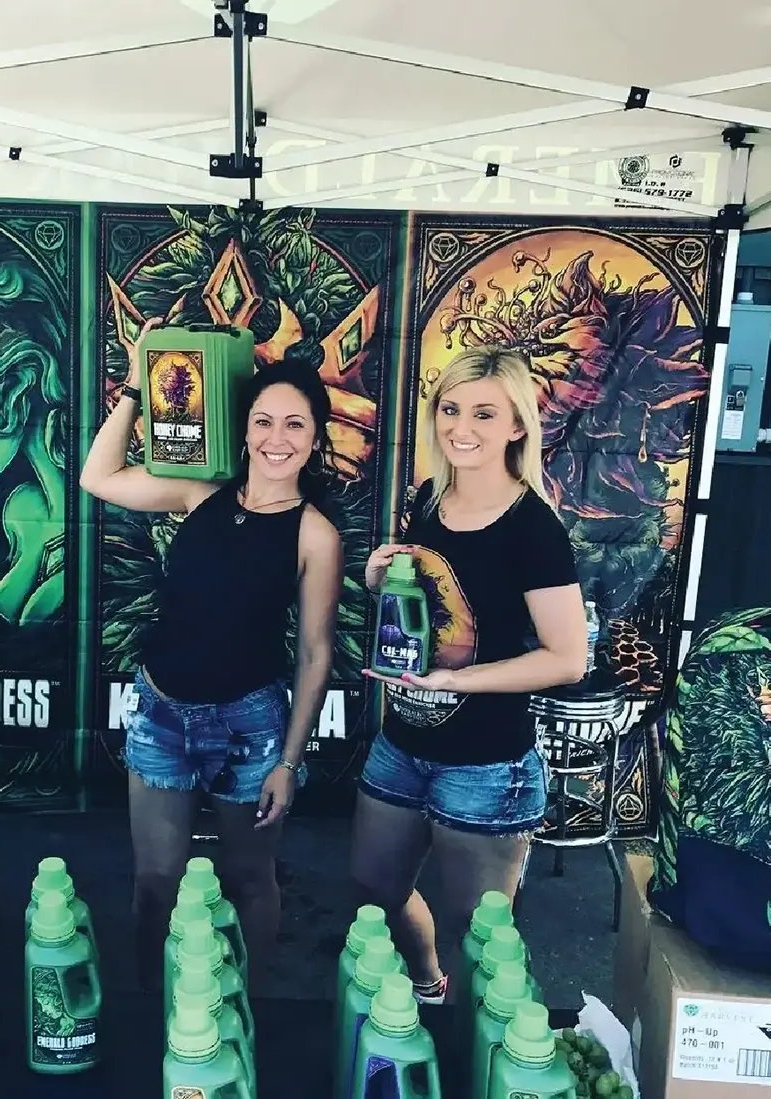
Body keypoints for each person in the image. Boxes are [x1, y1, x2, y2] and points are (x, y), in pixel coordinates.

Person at [80, 325, 344, 989]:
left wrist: (288, 758)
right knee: (154, 883)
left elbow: (315, 652)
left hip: (250, 728)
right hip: (162, 715)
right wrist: (139, 384)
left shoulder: (315, 533)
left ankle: (245, 1009)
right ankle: (156, 1006)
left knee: (250, 878)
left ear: (315, 436)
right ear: (244, 427)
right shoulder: (200, 489)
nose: (276, 438)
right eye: (263, 421)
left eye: (294, 424)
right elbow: (98, 476)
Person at [353, 344, 586, 1004]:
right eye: (451, 408)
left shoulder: (533, 529)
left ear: (518, 425)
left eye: (484, 413)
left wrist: (460, 681)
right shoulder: (431, 497)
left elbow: (566, 658)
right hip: (403, 743)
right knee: (375, 890)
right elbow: (430, 606)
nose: (461, 427)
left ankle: (495, 1053)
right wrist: (382, 578)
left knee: (481, 932)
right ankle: (427, 984)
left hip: (486, 765)